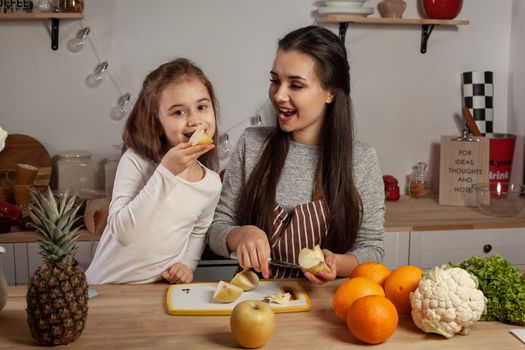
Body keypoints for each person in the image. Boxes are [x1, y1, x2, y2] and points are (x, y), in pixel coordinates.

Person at [208, 26, 385, 284]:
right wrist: (241, 235)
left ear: (330, 92)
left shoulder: (361, 159)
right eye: (275, 80)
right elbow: (217, 228)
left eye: (296, 85)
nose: (279, 95)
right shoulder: (252, 144)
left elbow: (373, 249)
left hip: (324, 304)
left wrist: (336, 262)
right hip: (253, 294)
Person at [86, 58, 222, 284]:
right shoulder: (136, 161)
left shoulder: (211, 183)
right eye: (178, 112)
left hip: (157, 293)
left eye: (202, 107)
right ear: (156, 122)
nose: (195, 120)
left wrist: (187, 264)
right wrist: (167, 172)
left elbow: (198, 232)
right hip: (104, 288)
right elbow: (123, 233)